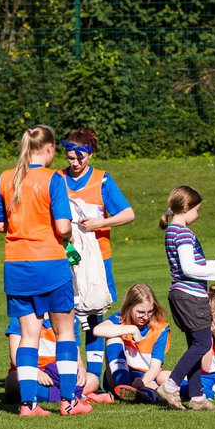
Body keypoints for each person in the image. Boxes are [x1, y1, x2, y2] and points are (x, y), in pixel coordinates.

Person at [0, 125, 91, 416]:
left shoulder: (6, 178)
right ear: (49, 149)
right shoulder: (54, 179)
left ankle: (28, 404)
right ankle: (69, 401)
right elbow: (63, 227)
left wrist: (20, 228)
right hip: (49, 265)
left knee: (28, 334)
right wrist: (69, 237)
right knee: (65, 331)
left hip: (16, 266)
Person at [59, 128, 136, 380]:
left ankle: (92, 378)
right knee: (67, 314)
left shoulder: (102, 180)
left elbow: (128, 214)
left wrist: (99, 223)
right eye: (70, 157)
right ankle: (73, 374)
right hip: (65, 257)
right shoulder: (57, 179)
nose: (75, 163)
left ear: (90, 154)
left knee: (94, 315)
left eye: (80, 158)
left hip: (97, 260)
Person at [158, 185, 215, 411]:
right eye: (198, 209)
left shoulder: (171, 232)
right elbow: (189, 268)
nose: (198, 214)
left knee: (195, 343)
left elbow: (196, 264)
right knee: (203, 343)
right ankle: (171, 385)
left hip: (179, 295)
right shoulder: (184, 233)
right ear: (187, 208)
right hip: (190, 296)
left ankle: (196, 397)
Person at [93, 283, 172, 404]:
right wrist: (133, 329)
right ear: (129, 308)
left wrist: (143, 381)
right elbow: (97, 330)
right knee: (112, 337)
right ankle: (123, 386)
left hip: (144, 377)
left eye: (150, 311)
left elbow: (155, 368)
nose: (146, 317)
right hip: (118, 375)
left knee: (161, 380)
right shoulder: (120, 319)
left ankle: (142, 394)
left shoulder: (160, 329)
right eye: (140, 312)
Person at [3, 314, 108, 405]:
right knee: (14, 379)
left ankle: (48, 395)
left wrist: (81, 368)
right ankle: (77, 397)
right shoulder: (20, 317)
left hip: (59, 374)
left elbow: (75, 354)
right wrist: (36, 372)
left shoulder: (69, 318)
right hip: (32, 372)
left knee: (93, 380)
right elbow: (15, 359)